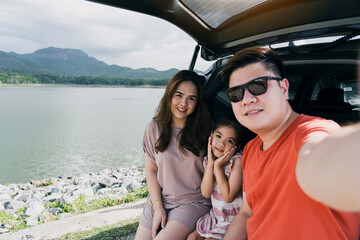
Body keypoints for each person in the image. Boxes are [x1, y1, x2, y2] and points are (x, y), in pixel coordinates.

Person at [220, 47, 360, 239]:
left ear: (284, 89)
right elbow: (247, 212)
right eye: (236, 93)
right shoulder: (251, 149)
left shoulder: (313, 132)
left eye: (258, 85)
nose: (247, 99)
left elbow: (325, 156)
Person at [134, 70, 212, 240]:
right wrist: (157, 206)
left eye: (191, 98)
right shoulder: (154, 128)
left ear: (197, 103)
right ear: (169, 95)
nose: (184, 103)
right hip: (160, 199)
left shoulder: (206, 132)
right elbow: (151, 170)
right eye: (179, 95)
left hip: (193, 202)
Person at [187, 118, 243, 240]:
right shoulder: (208, 160)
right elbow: (206, 193)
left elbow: (228, 197)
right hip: (216, 215)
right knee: (192, 237)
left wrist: (217, 167)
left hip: (232, 217)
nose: (221, 144)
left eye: (229, 141)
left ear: (235, 147)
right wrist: (211, 164)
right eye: (218, 136)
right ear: (211, 137)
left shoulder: (236, 161)